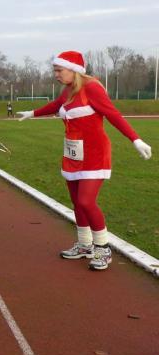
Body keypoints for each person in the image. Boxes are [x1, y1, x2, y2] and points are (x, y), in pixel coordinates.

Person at [17, 50, 152, 270]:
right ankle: (84, 244)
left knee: (86, 201)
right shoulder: (68, 89)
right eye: (55, 70)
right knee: (76, 202)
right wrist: (32, 113)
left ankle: (103, 248)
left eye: (59, 70)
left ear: (73, 70)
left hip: (95, 154)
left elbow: (112, 114)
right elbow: (55, 105)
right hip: (73, 153)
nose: (56, 75)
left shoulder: (92, 87)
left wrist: (135, 139)